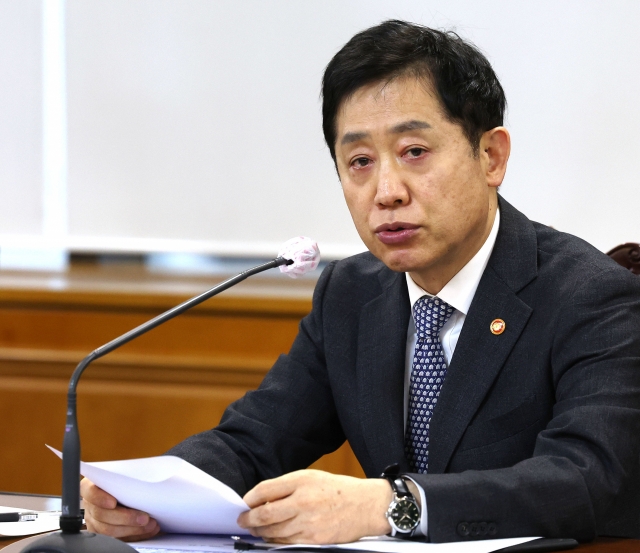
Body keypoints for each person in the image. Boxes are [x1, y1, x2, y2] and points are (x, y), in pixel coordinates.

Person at [80, 20, 640, 544]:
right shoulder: (352, 293)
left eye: (414, 152)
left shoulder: (587, 295)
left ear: (491, 156)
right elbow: (255, 439)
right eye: (360, 162)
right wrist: (149, 494)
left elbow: (590, 479)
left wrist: (389, 506)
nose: (387, 191)